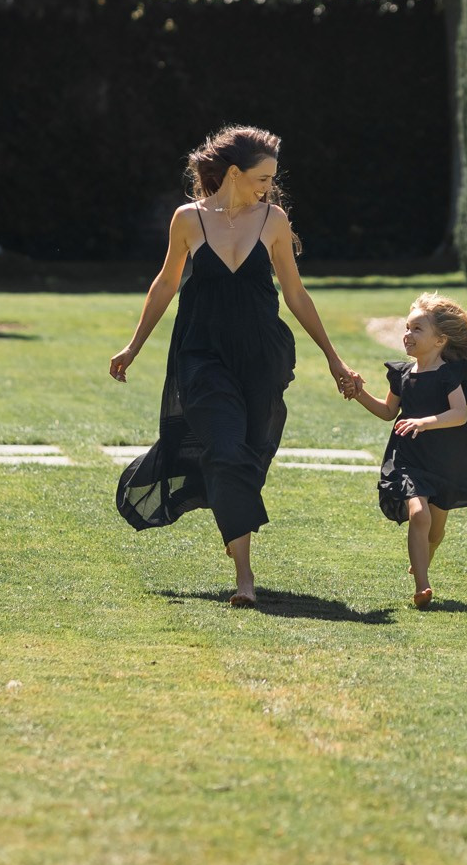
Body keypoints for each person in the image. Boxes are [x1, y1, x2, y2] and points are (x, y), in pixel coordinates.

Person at [109, 125, 364, 608]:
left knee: (249, 454)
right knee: (225, 451)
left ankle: (231, 512)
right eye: (262, 177)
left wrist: (335, 359)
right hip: (201, 355)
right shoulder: (188, 219)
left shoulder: (273, 221)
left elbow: (295, 293)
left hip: (261, 356)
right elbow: (165, 284)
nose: (269, 186)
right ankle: (245, 578)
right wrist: (133, 346)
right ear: (233, 173)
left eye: (272, 178)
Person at [344, 293, 467, 610]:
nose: (407, 334)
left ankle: (423, 559)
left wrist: (425, 422)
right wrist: (359, 392)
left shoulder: (448, 375)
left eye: (417, 329)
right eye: (406, 327)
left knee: (436, 531)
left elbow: (458, 414)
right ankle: (422, 587)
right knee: (418, 513)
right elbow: (388, 411)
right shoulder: (402, 374)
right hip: (408, 458)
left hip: (444, 460)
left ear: (440, 340)